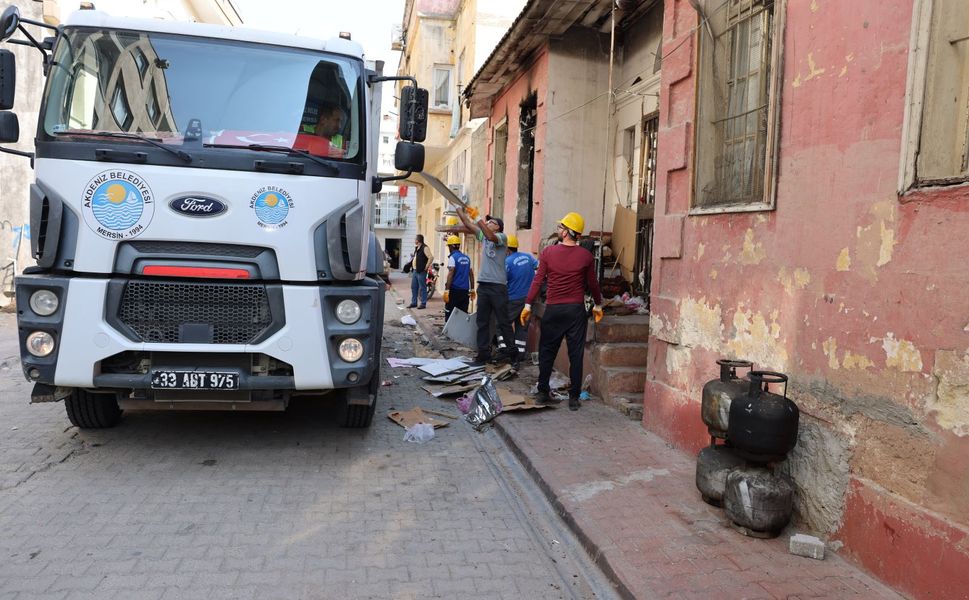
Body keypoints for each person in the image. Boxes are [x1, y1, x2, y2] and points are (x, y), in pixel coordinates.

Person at [521, 212, 603, 411]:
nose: (558, 230)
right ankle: (573, 398)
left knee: (547, 351)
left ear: (568, 232)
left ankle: (542, 392)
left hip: (554, 310)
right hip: (575, 312)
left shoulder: (549, 253)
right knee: (576, 354)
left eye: (561, 227)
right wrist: (598, 305)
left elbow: (538, 280)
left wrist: (528, 304)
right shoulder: (586, 256)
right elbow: (593, 283)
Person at [455, 206, 517, 367]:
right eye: (487, 221)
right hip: (483, 285)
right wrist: (459, 210)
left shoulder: (502, 238)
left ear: (498, 227)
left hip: (498, 287)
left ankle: (512, 353)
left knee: (503, 321)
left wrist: (478, 219)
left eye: (492, 222)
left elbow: (490, 235)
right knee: (482, 321)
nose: (488, 223)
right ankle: (483, 354)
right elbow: (468, 225)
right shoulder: (483, 236)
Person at [505, 234, 538, 363]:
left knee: (503, 324)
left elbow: (503, 280)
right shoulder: (529, 257)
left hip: (513, 299)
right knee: (522, 326)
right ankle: (520, 354)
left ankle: (507, 350)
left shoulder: (507, 262)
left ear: (507, 249)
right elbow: (539, 267)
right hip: (528, 300)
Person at [443, 235, 475, 323]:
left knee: (450, 311)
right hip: (465, 291)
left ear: (452, 246)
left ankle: (449, 333)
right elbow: (471, 275)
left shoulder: (453, 258)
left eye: (449, 246)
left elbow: (451, 274)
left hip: (454, 290)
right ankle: (460, 333)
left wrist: (447, 290)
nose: (448, 248)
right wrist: (472, 289)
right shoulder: (467, 258)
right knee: (462, 313)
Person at [407, 234, 433, 309]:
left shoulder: (425, 248)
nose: (414, 240)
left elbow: (431, 257)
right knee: (414, 287)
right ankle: (414, 302)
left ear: (418, 240)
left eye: (415, 239)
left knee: (422, 287)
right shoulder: (417, 248)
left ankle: (423, 303)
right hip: (415, 270)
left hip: (421, 271)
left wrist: (426, 267)